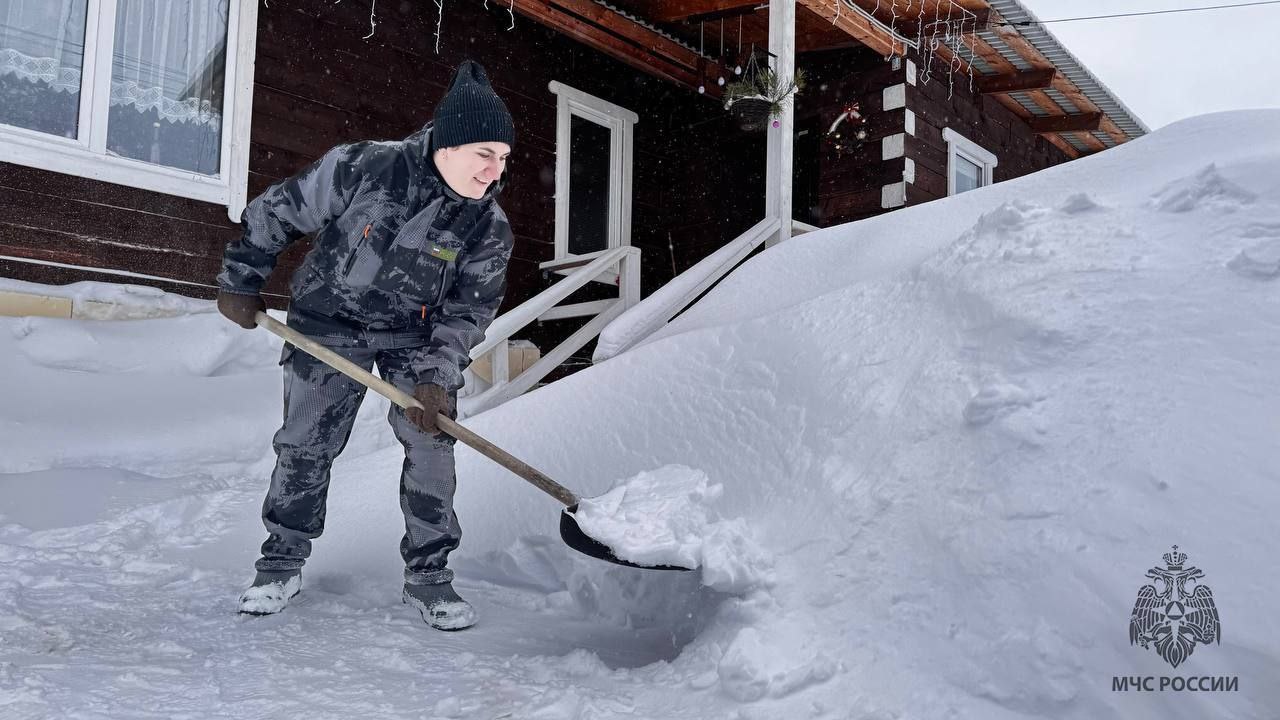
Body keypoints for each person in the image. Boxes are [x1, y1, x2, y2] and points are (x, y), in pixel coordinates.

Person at [215, 60, 515, 631]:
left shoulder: (487, 225)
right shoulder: (365, 167)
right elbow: (279, 211)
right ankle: (280, 563)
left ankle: (429, 576)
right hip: (327, 321)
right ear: (448, 146)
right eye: (485, 154)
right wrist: (242, 278)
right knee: (306, 444)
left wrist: (437, 374)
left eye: (503, 159)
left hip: (415, 336)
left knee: (432, 447)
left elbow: (470, 309)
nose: (494, 171)